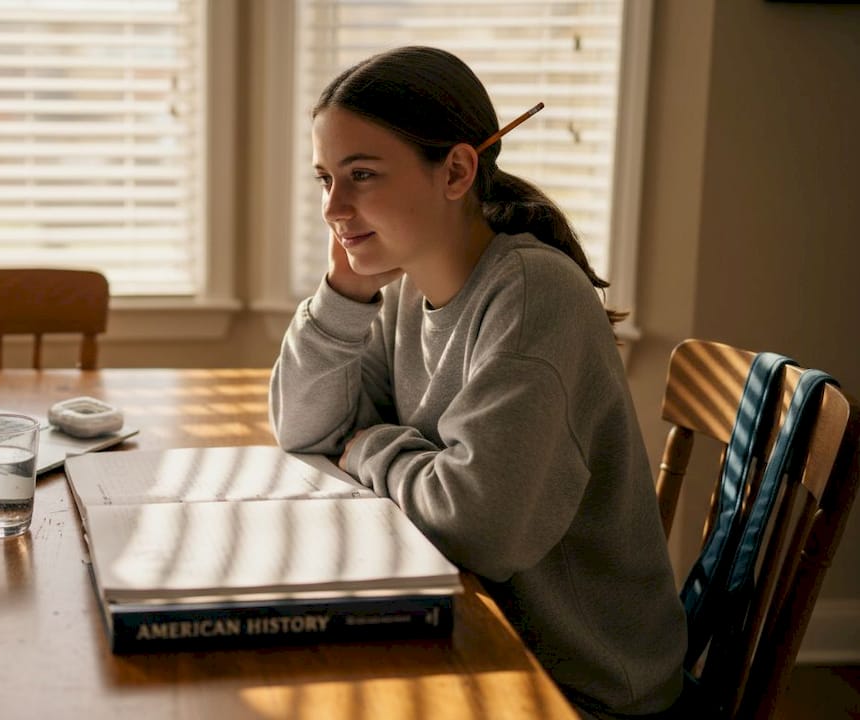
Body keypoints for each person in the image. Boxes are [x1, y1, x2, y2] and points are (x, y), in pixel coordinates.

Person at [269, 46, 686, 718]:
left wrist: (372, 446)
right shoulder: (404, 289)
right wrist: (344, 290)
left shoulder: (532, 297)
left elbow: (475, 528)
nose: (333, 208)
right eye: (325, 180)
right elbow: (305, 430)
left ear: (457, 170)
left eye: (363, 175)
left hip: (579, 686)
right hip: (476, 636)